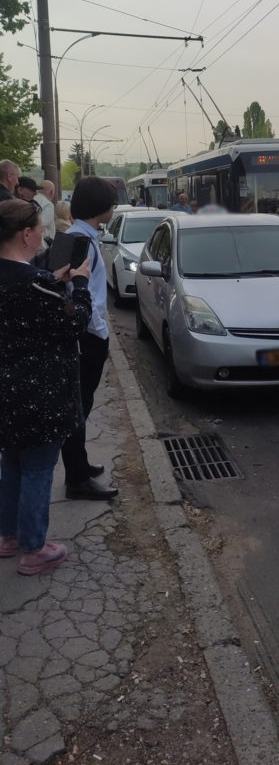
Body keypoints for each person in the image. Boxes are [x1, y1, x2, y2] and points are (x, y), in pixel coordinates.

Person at [0, 197, 92, 575]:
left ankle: (8, 537)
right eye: (40, 229)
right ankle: (34, 549)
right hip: (40, 393)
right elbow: (76, 322)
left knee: (11, 463)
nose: (43, 235)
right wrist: (80, 284)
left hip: (5, 391)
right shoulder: (37, 285)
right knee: (38, 468)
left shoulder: (35, 282)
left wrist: (55, 281)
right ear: (26, 235)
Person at [62, 176, 119, 501]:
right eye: (111, 203)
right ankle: (77, 480)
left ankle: (79, 465)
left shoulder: (79, 236)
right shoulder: (81, 241)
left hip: (85, 335)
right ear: (100, 207)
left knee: (81, 405)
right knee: (78, 408)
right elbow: (81, 295)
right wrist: (100, 334)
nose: (113, 208)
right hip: (87, 338)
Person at [35, 179, 56, 246]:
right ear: (51, 192)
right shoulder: (48, 204)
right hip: (42, 245)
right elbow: (40, 223)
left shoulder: (31, 199)